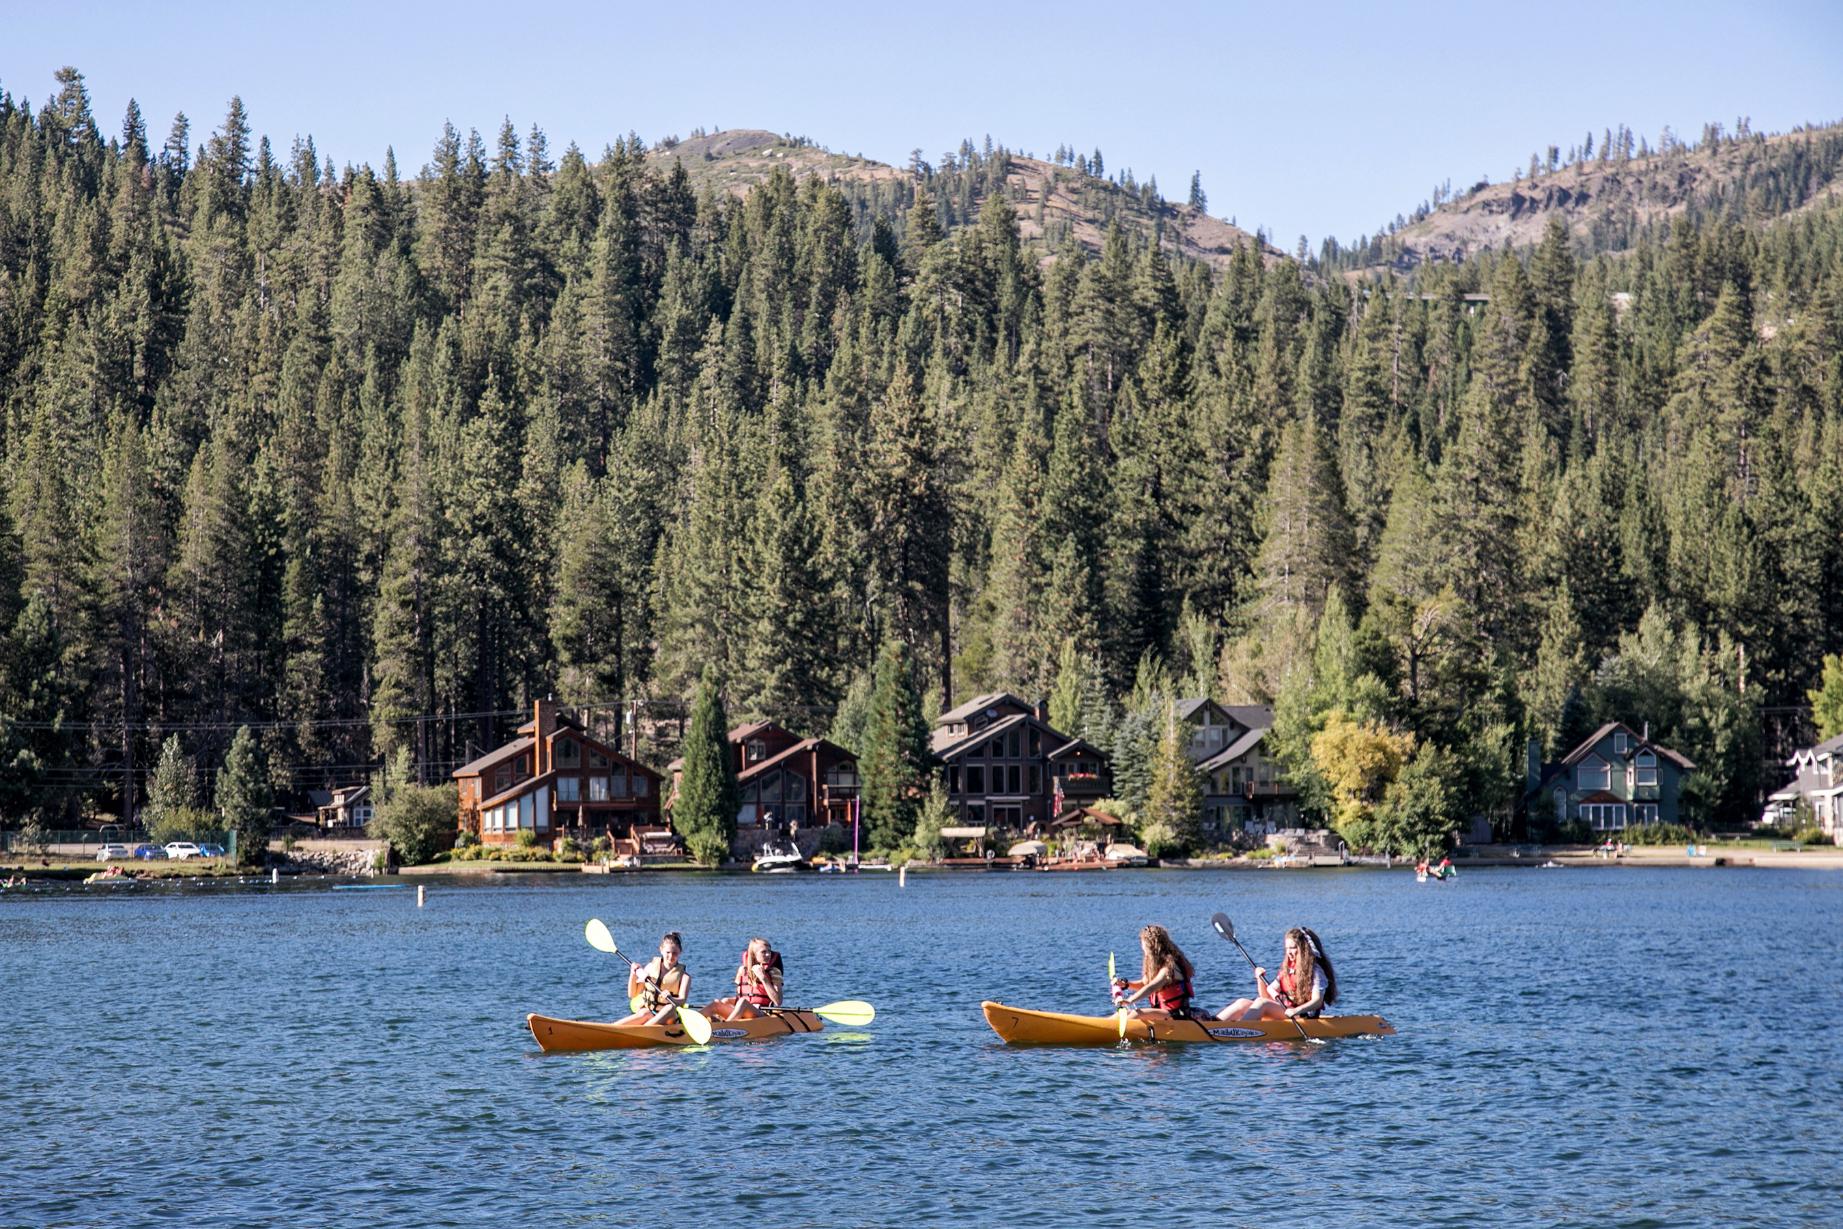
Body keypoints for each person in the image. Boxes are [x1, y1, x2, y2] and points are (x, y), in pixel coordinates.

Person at [1216, 927, 1337, 1022]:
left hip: (1304, 1016)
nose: (1289, 952)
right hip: (1287, 1012)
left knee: (1261, 1004)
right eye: (1287, 948)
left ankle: (1239, 1031)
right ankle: (1212, 1024)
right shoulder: (1287, 969)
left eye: (1293, 948)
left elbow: (1317, 1001)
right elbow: (1266, 997)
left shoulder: (1316, 971)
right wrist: (1259, 979)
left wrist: (1296, 1010)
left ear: (1304, 949)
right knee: (1243, 1002)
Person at [1113, 925, 1196, 1019]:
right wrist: (1126, 985)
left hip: (1177, 1015)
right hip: (1164, 1014)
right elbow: (1145, 984)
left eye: (1143, 943)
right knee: (1121, 1015)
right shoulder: (1156, 965)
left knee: (1137, 1013)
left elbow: (1151, 988)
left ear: (1151, 945)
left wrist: (1129, 1000)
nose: (1142, 947)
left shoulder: (1169, 968)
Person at [618, 932, 694, 1026]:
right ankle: (611, 1028)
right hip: (650, 1012)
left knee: (670, 1007)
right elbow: (632, 994)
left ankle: (642, 1031)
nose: (671, 956)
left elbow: (682, 1000)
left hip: (670, 1017)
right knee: (644, 1013)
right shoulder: (650, 967)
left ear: (680, 952)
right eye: (668, 952)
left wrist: (671, 998)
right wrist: (633, 974)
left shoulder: (685, 977)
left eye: (675, 953)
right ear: (661, 950)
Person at [716, 937, 785, 1021]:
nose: (768, 954)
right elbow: (741, 995)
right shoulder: (742, 970)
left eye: (769, 951)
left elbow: (778, 1002)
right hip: (746, 1009)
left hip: (762, 1012)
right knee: (723, 1001)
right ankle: (703, 1023)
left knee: (742, 1002)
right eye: (764, 952)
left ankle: (725, 1027)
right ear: (753, 955)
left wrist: (764, 979)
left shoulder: (774, 972)